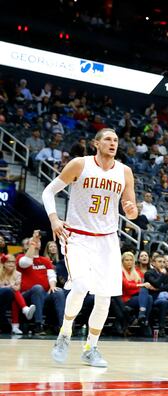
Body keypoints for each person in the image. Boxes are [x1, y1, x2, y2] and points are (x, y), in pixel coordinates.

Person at [45, 127, 137, 367]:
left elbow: (132, 208)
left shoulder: (125, 172)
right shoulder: (80, 164)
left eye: (116, 140)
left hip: (107, 240)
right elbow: (49, 191)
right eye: (107, 139)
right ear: (96, 143)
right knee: (82, 286)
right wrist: (54, 219)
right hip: (78, 237)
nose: (113, 143)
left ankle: (91, 347)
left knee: (104, 297)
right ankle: (64, 334)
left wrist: (131, 211)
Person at [0, 253, 36, 335]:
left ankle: (15, 326)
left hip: (10, 298)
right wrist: (10, 286)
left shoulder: (18, 274)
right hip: (1, 298)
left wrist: (9, 286)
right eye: (9, 262)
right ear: (4, 264)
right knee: (12, 292)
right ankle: (24, 310)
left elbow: (17, 288)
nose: (11, 264)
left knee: (14, 295)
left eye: (13, 262)